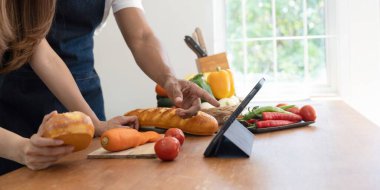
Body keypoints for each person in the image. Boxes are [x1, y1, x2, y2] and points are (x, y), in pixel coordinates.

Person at [0, 0, 219, 175]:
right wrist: (19, 148)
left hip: (82, 89)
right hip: (17, 99)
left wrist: (170, 80)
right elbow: (38, 49)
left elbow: (141, 37)